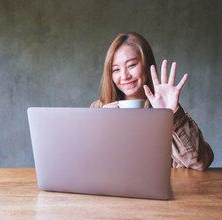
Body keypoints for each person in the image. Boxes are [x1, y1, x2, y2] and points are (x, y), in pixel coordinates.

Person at [90, 32, 214, 170]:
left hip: (159, 190)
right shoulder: (98, 109)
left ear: (146, 64)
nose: (124, 76)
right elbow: (86, 164)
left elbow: (199, 162)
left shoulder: (167, 109)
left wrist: (171, 115)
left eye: (131, 65)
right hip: (111, 190)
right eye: (116, 69)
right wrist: (100, 127)